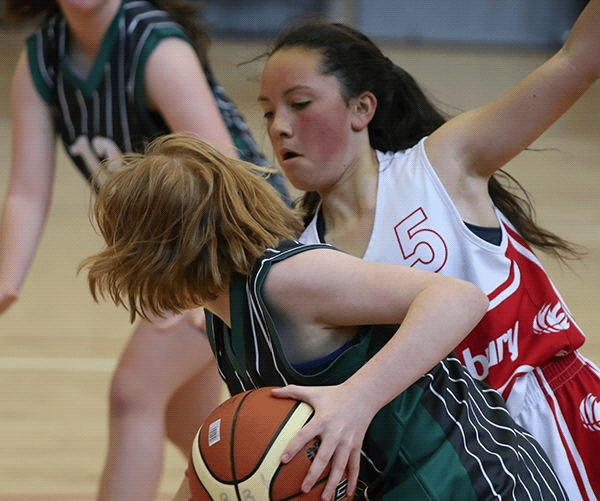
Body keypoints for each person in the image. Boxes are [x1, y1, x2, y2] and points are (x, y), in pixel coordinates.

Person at [81, 133, 569, 501]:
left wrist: (357, 397)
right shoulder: (222, 315)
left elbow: (458, 298)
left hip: (477, 476)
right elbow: (246, 448)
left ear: (154, 250)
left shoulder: (287, 280)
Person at [255, 1, 600, 498]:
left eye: (300, 103)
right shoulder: (301, 259)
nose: (278, 127)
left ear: (362, 108)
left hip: (554, 413)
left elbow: (579, 58)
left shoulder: (442, 164)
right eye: (268, 112)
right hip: (464, 462)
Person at [0, 0, 288, 499]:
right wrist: (7, 282)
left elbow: (225, 173)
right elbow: (26, 193)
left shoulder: (157, 50)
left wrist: (203, 292)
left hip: (236, 249)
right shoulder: (41, 60)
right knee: (189, 423)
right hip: (176, 264)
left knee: (133, 394)